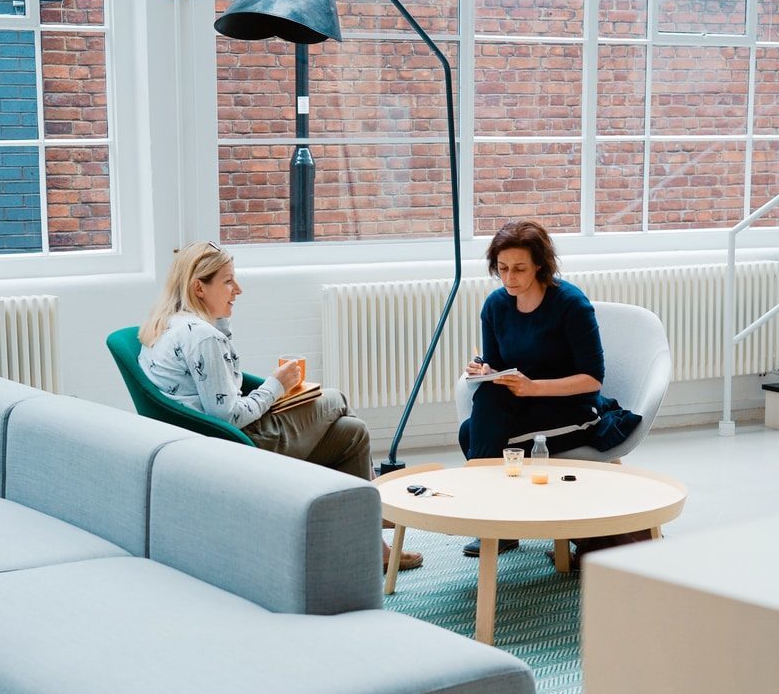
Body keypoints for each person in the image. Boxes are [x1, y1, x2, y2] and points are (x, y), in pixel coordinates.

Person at [138, 240, 422, 572]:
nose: (238, 289)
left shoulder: (171, 325)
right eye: (228, 281)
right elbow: (227, 414)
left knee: (352, 432)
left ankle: (371, 545)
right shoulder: (204, 338)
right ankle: (378, 511)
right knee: (336, 398)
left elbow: (218, 392)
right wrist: (276, 385)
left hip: (207, 443)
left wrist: (224, 326)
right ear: (199, 287)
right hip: (239, 446)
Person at [459, 220, 606, 558]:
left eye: (519, 269)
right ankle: (499, 522)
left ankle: (492, 520)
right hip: (523, 404)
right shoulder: (496, 305)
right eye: (502, 268)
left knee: (472, 435)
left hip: (572, 409)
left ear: (540, 264)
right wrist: (485, 371)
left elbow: (593, 378)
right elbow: (497, 367)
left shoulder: (570, 304)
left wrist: (532, 387)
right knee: (479, 415)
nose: (509, 277)